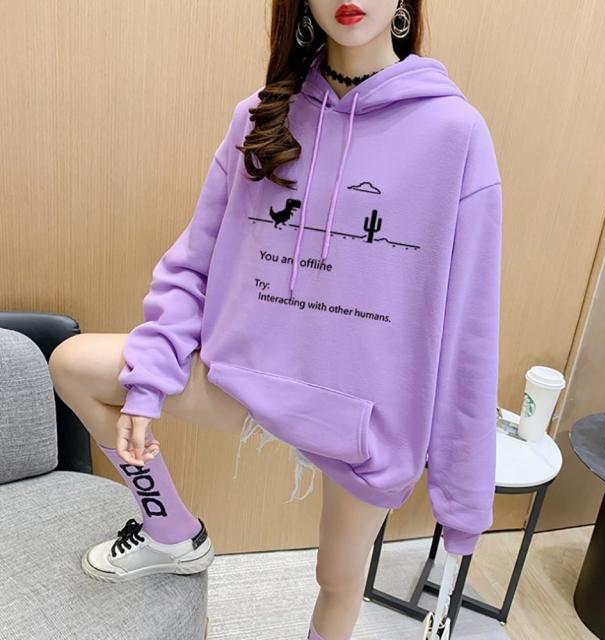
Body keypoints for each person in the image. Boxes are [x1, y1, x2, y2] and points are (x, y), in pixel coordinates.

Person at [49, 1, 502, 638]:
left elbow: (469, 329)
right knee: (72, 364)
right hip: (244, 378)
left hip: (362, 417)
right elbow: (193, 263)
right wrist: (148, 382)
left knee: (336, 580)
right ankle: (171, 530)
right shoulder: (261, 115)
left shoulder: (454, 134)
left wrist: (462, 506)